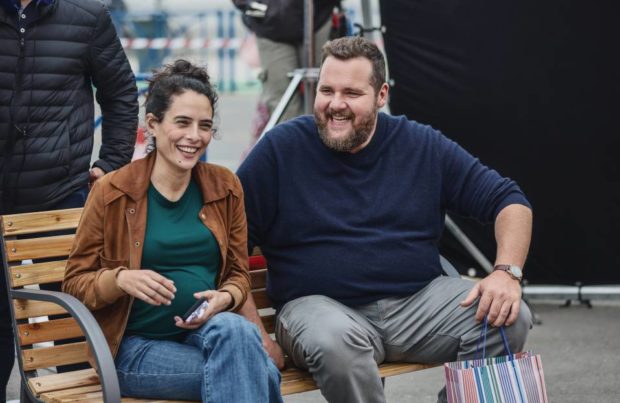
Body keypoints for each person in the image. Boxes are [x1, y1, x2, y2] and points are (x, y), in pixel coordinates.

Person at [237, 36, 533, 403]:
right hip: (317, 308)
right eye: (326, 90)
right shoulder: (280, 150)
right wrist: (255, 332)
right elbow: (227, 243)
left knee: (511, 316)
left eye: (352, 93)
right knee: (336, 345)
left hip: (418, 303)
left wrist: (507, 272)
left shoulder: (421, 145)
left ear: (381, 95)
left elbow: (509, 200)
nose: (336, 104)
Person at [62, 59, 282, 402]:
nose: (195, 137)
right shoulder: (113, 191)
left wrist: (224, 298)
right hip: (135, 349)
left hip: (210, 332)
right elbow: (75, 282)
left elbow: (238, 273)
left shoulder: (225, 187)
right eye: (183, 123)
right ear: (153, 123)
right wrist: (120, 279)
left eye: (204, 126)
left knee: (235, 330)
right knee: (256, 369)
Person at [0, 0, 138, 398]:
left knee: (71, 330)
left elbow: (121, 94)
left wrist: (111, 165)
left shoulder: (87, 15)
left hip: (60, 199)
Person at [232, 0, 340, 154]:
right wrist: (259, 7)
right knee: (283, 105)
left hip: (318, 18)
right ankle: (294, 161)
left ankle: (326, 159)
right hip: (271, 26)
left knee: (327, 98)